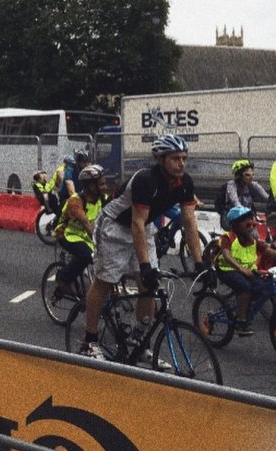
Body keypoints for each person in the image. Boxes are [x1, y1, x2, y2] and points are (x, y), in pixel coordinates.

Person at [79, 134, 202, 361]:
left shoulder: (185, 182)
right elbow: (136, 222)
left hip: (143, 227)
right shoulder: (146, 180)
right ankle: (89, 340)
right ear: (161, 159)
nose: (181, 163)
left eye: (184, 158)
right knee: (104, 282)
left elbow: (189, 222)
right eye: (175, 158)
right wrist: (144, 265)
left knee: (149, 285)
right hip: (115, 227)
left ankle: (139, 342)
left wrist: (200, 262)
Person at [215, 205, 276, 335]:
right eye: (245, 220)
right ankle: (241, 321)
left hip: (247, 271)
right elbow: (226, 255)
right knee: (245, 288)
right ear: (235, 225)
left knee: (264, 286)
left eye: (251, 219)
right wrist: (241, 268)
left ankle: (244, 306)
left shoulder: (253, 240)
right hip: (227, 269)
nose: (251, 224)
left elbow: (269, 252)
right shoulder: (228, 238)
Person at [53, 164, 108, 298]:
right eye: (101, 184)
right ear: (91, 186)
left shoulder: (102, 198)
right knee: (86, 255)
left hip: (84, 236)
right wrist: (99, 241)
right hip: (66, 234)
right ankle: (64, 279)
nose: (105, 187)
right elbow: (85, 223)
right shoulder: (75, 202)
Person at [222, 160, 269, 228]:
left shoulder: (253, 185)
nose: (251, 177)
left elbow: (267, 198)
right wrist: (245, 213)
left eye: (252, 175)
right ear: (239, 176)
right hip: (230, 220)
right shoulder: (232, 185)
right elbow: (235, 201)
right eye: (247, 175)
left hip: (247, 219)